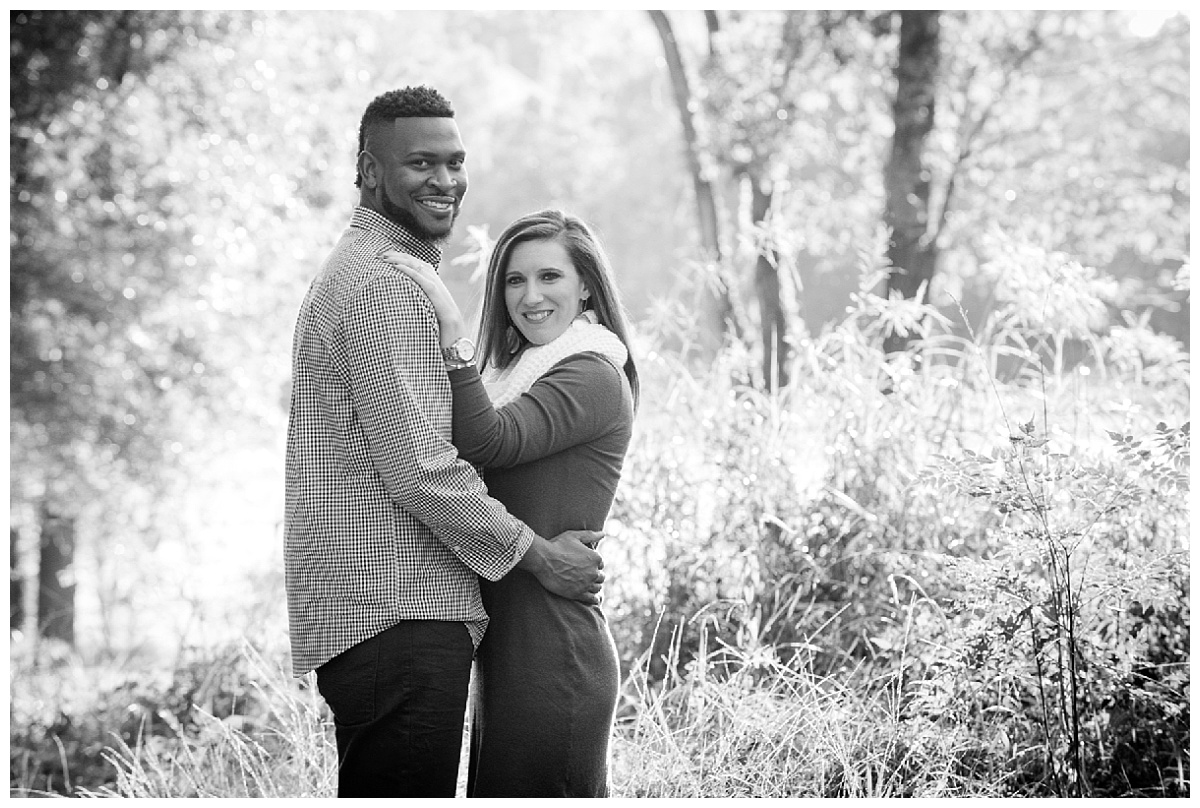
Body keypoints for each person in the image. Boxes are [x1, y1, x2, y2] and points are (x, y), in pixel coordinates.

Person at [283, 87, 607, 799]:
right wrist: (537, 555)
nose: (446, 180)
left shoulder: (372, 270)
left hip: (385, 611)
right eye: (421, 162)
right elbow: (423, 470)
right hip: (398, 607)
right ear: (369, 170)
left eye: (455, 161)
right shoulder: (385, 287)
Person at [381, 208, 639, 797]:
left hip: (554, 656)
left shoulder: (592, 374)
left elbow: (487, 440)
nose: (530, 296)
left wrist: (451, 330)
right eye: (514, 280)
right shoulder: (520, 373)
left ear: (586, 287)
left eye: (550, 277)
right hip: (509, 653)